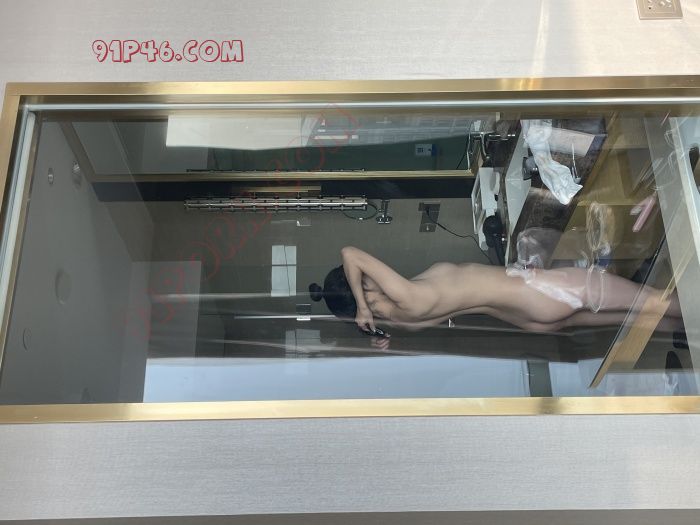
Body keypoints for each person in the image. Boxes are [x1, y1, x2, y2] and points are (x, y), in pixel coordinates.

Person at [308, 246, 682, 335]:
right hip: (540, 294)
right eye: (364, 279)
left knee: (640, 318)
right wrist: (363, 306)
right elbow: (350, 253)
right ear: (362, 286)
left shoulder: (403, 317)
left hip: (528, 317)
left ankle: (689, 329)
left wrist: (367, 318)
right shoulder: (405, 295)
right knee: (652, 300)